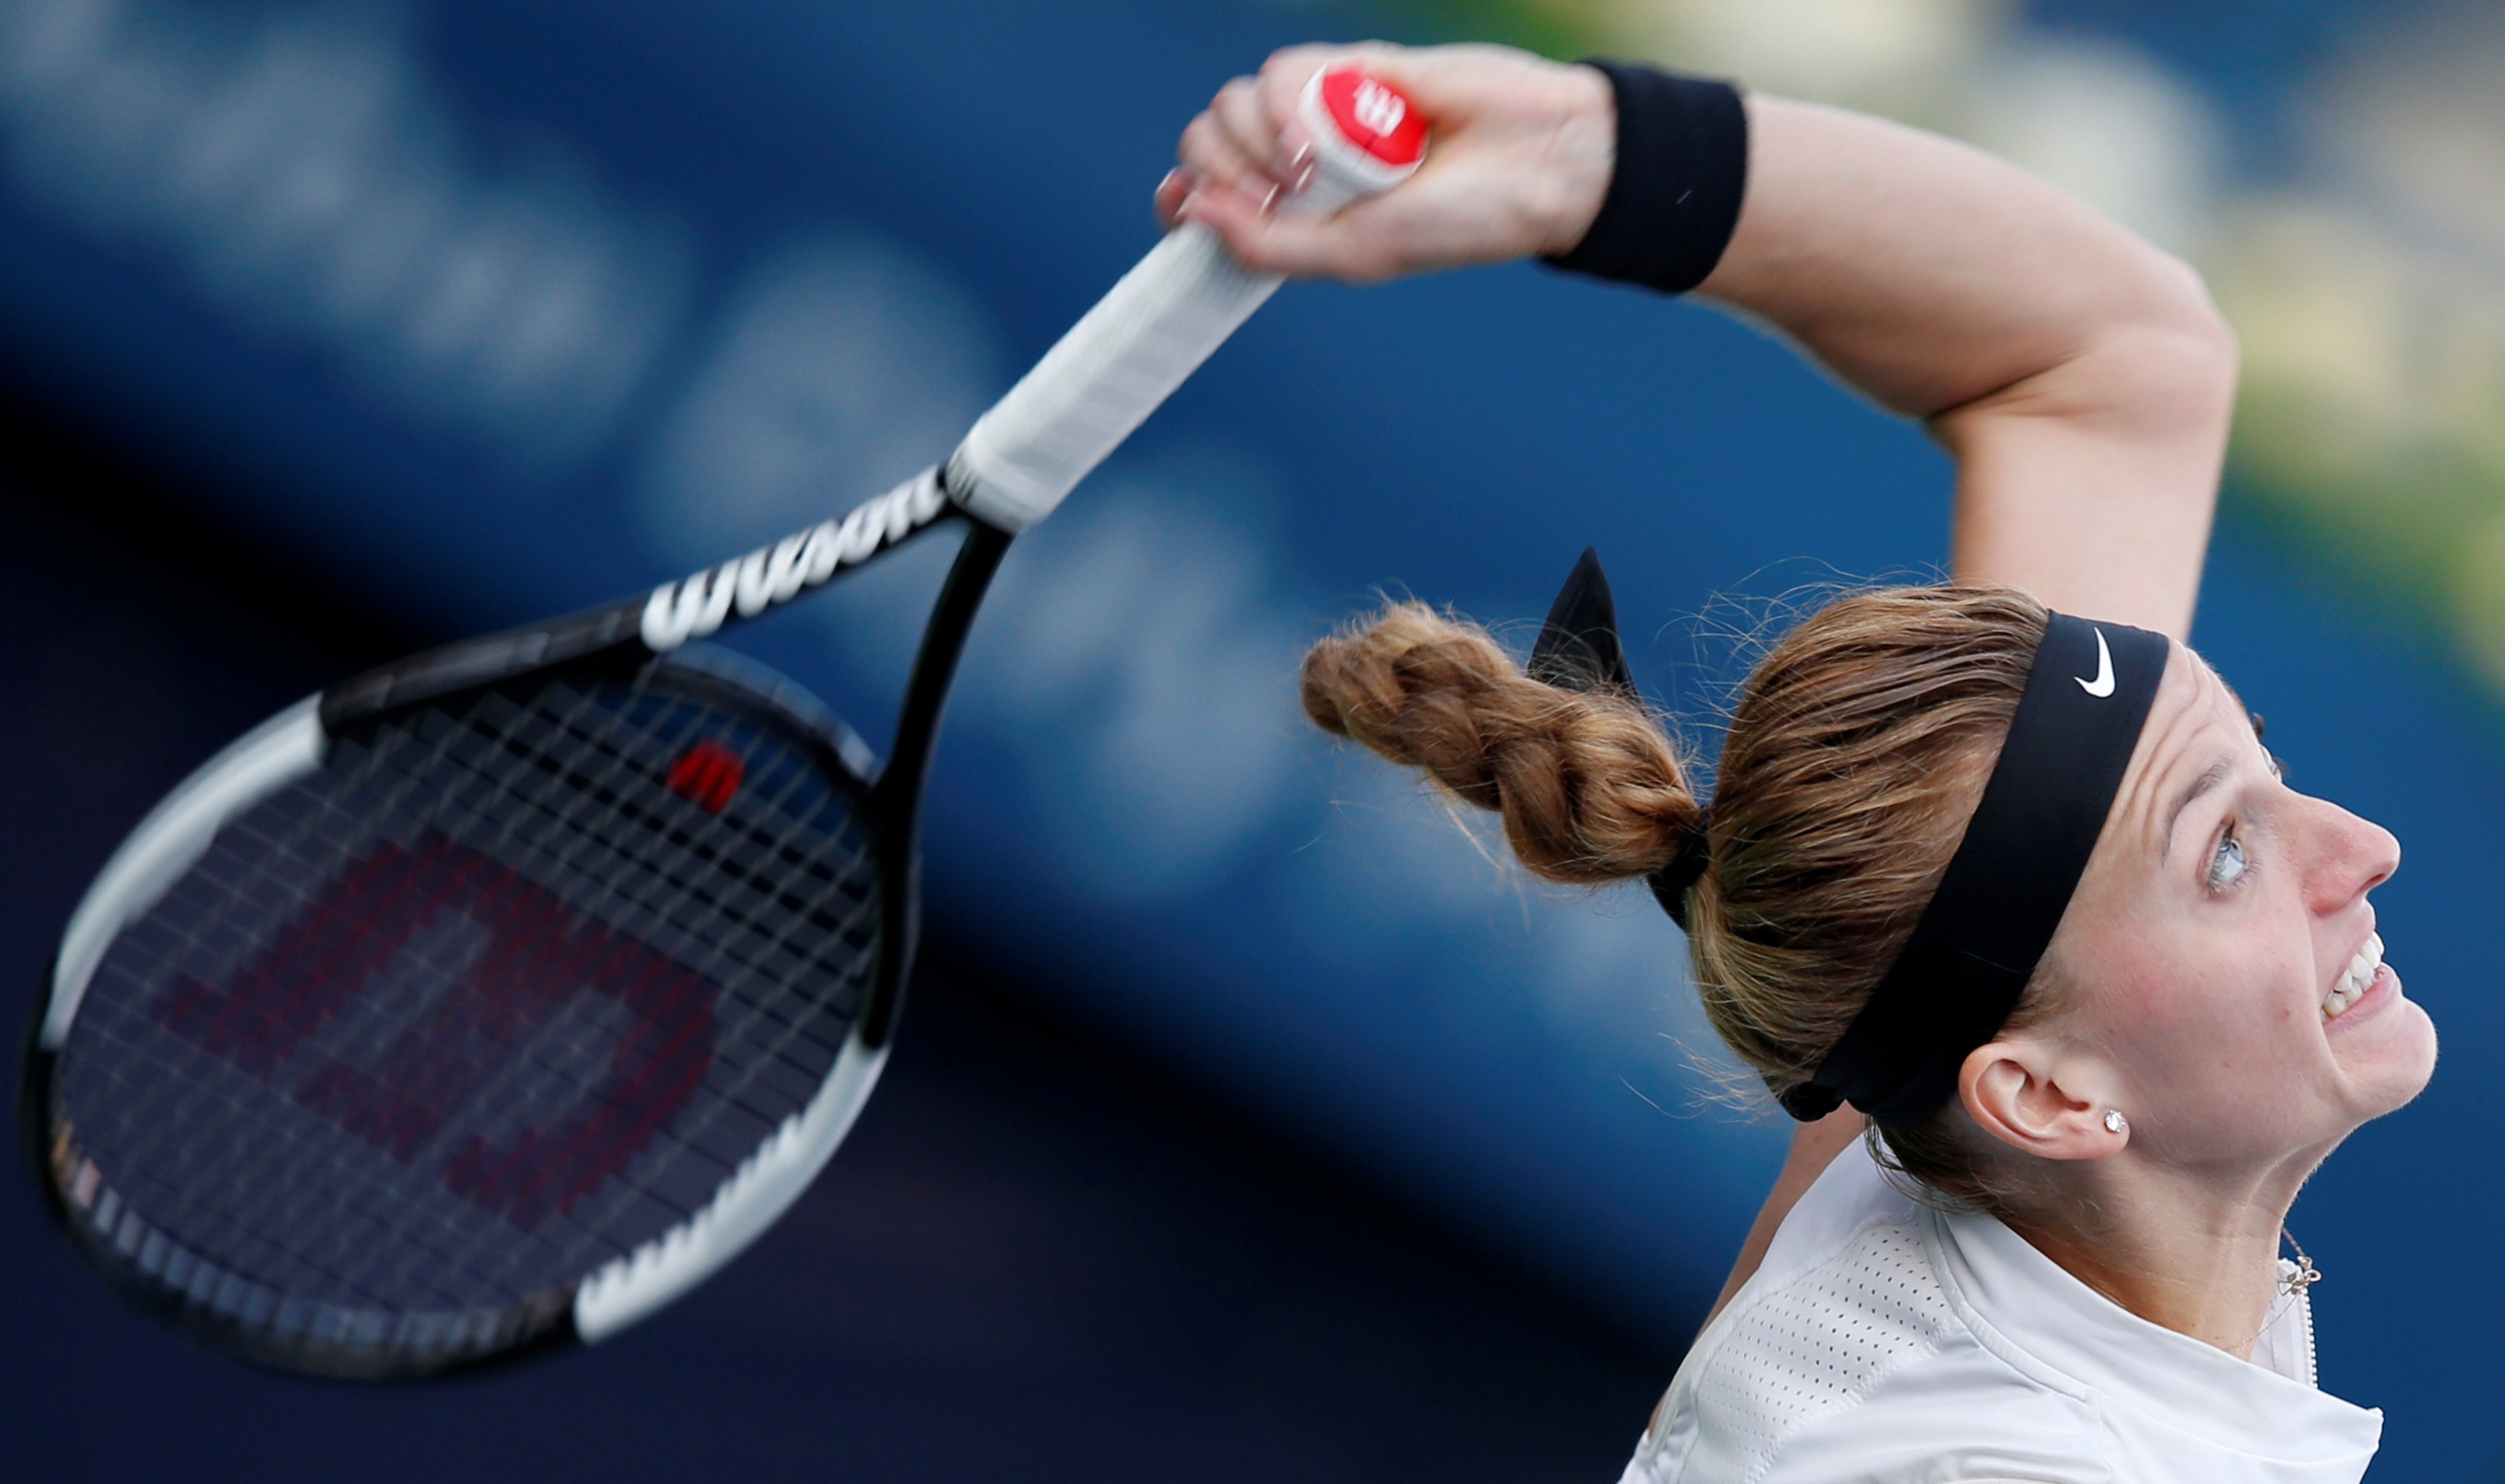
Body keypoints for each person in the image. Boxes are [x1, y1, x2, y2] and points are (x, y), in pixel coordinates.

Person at [1162, 43, 2432, 1484]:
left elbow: (2114, 364)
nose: (2361, 846)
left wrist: (1583, 152)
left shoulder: (1944, 1134)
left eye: (2258, 765)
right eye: (2225, 853)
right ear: (2042, 1098)